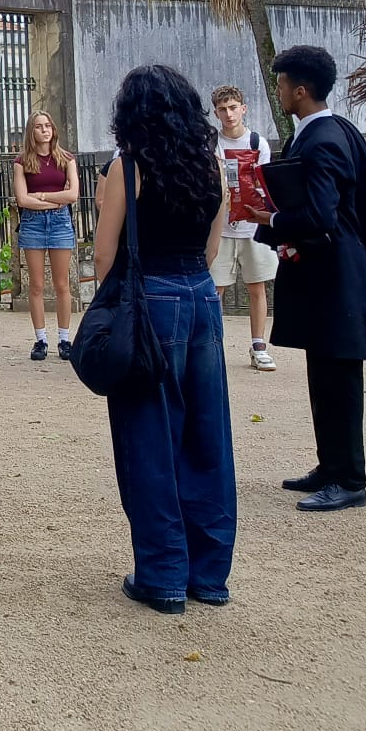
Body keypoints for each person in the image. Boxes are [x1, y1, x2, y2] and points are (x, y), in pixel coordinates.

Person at [94, 66, 236, 614]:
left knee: (149, 436)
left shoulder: (127, 168)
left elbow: (105, 254)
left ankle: (163, 574)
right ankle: (209, 575)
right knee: (207, 436)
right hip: (200, 296)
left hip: (150, 296)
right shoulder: (211, 164)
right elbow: (212, 248)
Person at [255, 46, 366, 513]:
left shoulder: (322, 139)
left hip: (337, 278)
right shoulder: (325, 131)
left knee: (339, 380)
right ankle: (331, 466)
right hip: (328, 275)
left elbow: (321, 215)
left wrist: (270, 220)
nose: (279, 91)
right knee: (323, 375)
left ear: (300, 90)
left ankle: (350, 479)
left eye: (282, 84)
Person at [209, 85, 277, 371]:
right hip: (221, 227)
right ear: (216, 113)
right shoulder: (212, 144)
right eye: (223, 109)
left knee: (256, 286)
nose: (229, 114)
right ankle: (212, 346)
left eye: (233, 107)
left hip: (252, 225)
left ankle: (259, 345)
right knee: (215, 290)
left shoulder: (257, 142)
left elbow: (265, 182)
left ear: (243, 109)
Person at [12, 110, 80, 362]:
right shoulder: (22, 162)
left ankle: (64, 338)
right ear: (32, 131)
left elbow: (72, 195)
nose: (45, 130)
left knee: (62, 284)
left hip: (60, 222)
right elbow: (22, 199)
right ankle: (40, 339)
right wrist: (54, 200)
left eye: (48, 125)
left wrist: (41, 196)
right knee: (37, 285)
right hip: (33, 223)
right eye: (39, 126)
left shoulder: (66, 159)